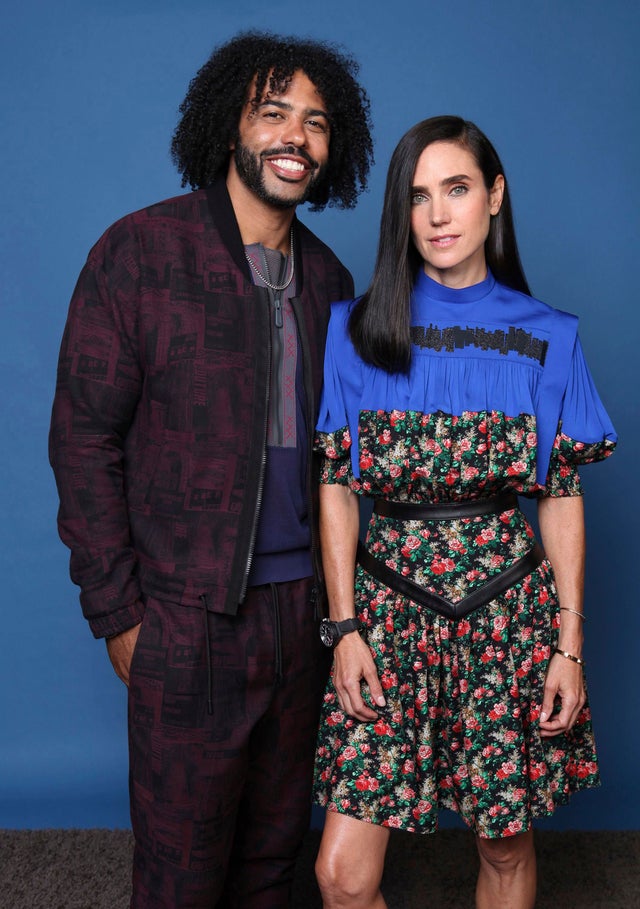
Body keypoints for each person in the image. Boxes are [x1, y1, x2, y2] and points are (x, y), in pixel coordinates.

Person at [49, 31, 373, 908]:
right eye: (274, 114)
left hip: (302, 616)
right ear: (229, 123)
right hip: (185, 618)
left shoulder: (332, 282)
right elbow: (82, 438)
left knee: (272, 863)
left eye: (315, 123)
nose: (295, 138)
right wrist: (118, 610)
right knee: (181, 874)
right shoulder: (139, 254)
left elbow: (342, 458)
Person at [311, 116, 616, 909]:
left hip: (505, 618)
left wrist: (569, 646)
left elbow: (560, 495)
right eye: (418, 196)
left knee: (504, 846)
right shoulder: (353, 329)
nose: (438, 215)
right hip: (385, 619)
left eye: (457, 189)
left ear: (494, 197)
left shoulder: (550, 337)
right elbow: (337, 485)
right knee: (342, 877)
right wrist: (344, 628)